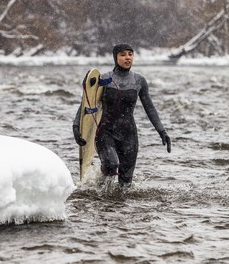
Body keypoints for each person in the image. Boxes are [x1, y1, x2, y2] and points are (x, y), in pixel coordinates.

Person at [73, 43, 171, 188]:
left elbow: (149, 107)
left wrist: (162, 131)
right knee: (111, 164)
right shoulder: (103, 79)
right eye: (123, 54)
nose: (127, 58)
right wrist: (76, 126)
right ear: (115, 57)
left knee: (125, 185)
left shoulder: (139, 81)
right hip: (106, 132)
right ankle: (99, 188)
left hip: (129, 135)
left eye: (130, 54)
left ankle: (116, 207)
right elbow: (86, 104)